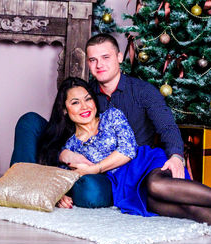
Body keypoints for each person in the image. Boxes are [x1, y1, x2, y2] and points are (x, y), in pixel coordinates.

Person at [56, 77, 211, 242]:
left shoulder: (111, 116)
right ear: (65, 110)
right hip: (126, 187)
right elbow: (60, 174)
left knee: (156, 184)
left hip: (144, 165)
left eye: (87, 99)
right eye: (75, 102)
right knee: (187, 209)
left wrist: (95, 168)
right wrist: (59, 194)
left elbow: (128, 149)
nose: (85, 106)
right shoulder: (71, 145)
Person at [11, 33, 185, 208]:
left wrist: (176, 157)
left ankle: (50, 188)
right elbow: (62, 133)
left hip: (122, 170)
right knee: (29, 121)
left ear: (119, 57)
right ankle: (20, 187)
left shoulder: (143, 91)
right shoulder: (85, 92)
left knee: (90, 190)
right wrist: (62, 154)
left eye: (105, 57)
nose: (99, 65)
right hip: (85, 160)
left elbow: (167, 127)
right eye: (93, 60)